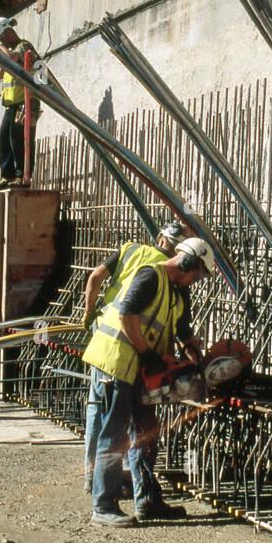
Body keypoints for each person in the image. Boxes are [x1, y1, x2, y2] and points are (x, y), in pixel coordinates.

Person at [81, 234, 215, 526]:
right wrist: (147, 353)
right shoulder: (150, 276)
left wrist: (196, 353)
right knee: (114, 434)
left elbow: (182, 329)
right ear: (188, 263)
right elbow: (127, 313)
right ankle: (103, 505)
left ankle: (147, 500)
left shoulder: (178, 292)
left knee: (146, 432)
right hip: (116, 361)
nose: (196, 281)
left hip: (140, 369)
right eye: (198, 275)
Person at [82, 219, 187, 494]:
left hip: (106, 334)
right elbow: (175, 327)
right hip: (124, 346)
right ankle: (104, 491)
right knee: (119, 423)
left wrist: (88, 313)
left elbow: (94, 278)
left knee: (99, 409)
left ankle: (94, 479)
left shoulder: (132, 251)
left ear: (160, 238)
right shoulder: (172, 277)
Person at [0, 17, 39, 186]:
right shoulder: (8, 50)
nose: (1, 41)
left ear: (9, 32)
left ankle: (22, 176)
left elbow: (13, 59)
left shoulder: (24, 46)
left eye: (2, 37)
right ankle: (8, 176)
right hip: (12, 103)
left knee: (19, 138)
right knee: (3, 138)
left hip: (27, 101)